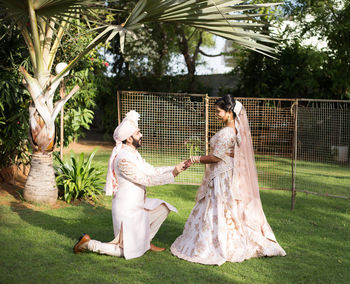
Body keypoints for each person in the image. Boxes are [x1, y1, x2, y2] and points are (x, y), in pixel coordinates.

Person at [171, 94, 286, 265]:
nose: (216, 114)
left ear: (229, 112)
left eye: (218, 111)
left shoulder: (227, 132)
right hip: (224, 173)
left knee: (217, 207)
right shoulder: (233, 130)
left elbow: (216, 157)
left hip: (221, 177)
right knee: (222, 209)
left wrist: (195, 159)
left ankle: (217, 244)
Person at [74, 110, 189, 259]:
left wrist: (175, 167)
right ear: (129, 138)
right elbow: (145, 179)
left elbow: (151, 170)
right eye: (138, 133)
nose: (141, 135)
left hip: (138, 207)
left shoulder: (133, 153)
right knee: (125, 252)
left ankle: (145, 243)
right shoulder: (123, 159)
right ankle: (89, 244)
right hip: (126, 213)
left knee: (163, 208)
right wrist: (173, 174)